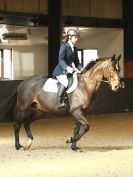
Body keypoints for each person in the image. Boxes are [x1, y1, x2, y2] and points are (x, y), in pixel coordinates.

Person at [52, 28, 83, 109]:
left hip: (69, 72)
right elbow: (60, 60)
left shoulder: (75, 49)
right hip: (60, 71)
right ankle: (59, 102)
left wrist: (82, 69)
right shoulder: (64, 46)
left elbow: (76, 63)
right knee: (65, 82)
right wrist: (67, 67)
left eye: (77, 37)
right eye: (75, 37)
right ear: (70, 37)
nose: (77, 39)